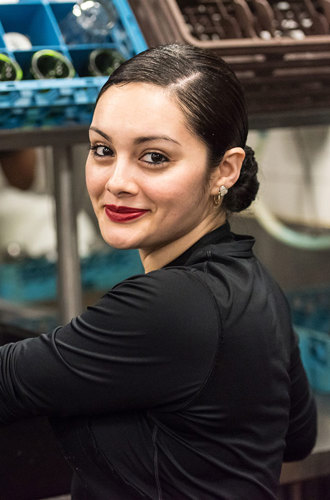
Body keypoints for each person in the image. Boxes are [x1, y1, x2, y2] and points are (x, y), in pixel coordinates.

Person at [0, 44, 316, 499]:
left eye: (154, 157)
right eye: (103, 149)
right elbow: (295, 436)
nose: (116, 182)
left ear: (224, 169)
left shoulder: (171, 304)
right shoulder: (253, 283)